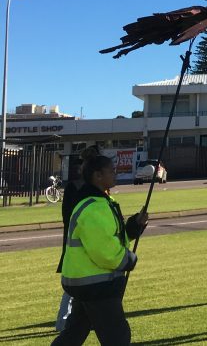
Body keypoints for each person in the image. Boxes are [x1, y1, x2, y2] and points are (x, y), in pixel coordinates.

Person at [52, 154, 148, 346]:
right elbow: (106, 253)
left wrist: (134, 226)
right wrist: (130, 259)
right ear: (97, 175)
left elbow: (112, 237)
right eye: (111, 171)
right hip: (96, 285)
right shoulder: (94, 208)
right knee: (117, 336)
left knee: (74, 334)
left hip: (86, 283)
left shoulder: (101, 201)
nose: (115, 174)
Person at [55, 146, 101, 333]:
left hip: (81, 242)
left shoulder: (79, 188)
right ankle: (64, 321)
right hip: (81, 243)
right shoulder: (81, 188)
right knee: (74, 287)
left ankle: (68, 321)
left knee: (78, 286)